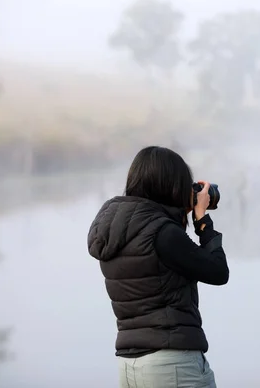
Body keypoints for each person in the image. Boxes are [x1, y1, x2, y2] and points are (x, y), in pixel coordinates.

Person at [88, 146, 230, 388]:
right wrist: (202, 220)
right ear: (171, 185)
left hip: (130, 364)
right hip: (171, 365)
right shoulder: (163, 233)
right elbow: (218, 272)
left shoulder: (116, 229)